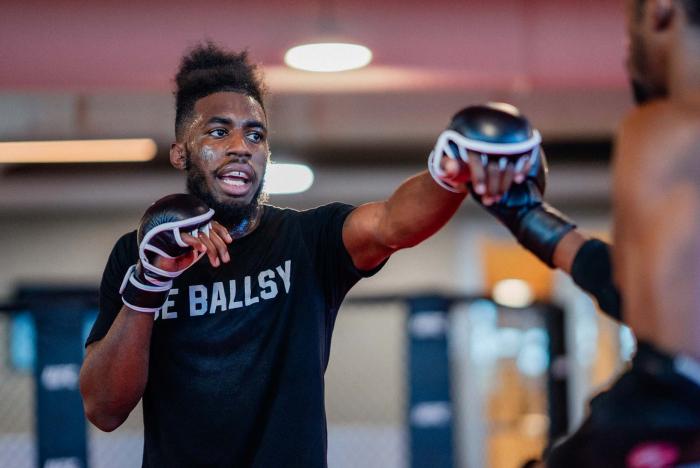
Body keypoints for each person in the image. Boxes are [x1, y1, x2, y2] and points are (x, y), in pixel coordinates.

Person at [78, 42, 514, 468]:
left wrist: (451, 171)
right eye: (218, 131)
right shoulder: (136, 253)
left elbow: (392, 224)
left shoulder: (307, 240)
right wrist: (150, 282)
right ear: (180, 152)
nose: (241, 146)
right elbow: (104, 409)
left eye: (255, 134)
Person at [453, 0, 700, 465]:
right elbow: (639, 293)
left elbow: (677, 360)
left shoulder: (662, 131)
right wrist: (528, 217)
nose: (629, 51)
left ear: (661, 10)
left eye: (630, 31)